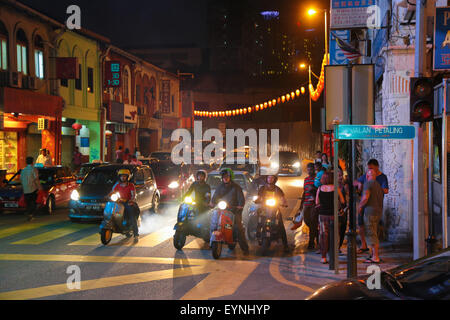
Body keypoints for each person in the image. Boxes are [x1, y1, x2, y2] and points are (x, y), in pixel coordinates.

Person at [210, 168, 249, 255]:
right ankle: (212, 241)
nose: (225, 178)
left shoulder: (236, 187)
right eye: (224, 177)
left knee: (238, 228)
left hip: (234, 210)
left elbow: (241, 199)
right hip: (222, 210)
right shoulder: (220, 187)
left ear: (230, 177)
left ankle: (245, 248)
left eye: (227, 176)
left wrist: (240, 206)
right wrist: (212, 203)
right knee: (213, 223)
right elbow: (215, 196)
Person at [354, 159, 389, 254]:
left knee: (372, 230)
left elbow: (385, 190)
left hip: (372, 206)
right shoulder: (366, 177)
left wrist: (374, 189)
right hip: (367, 207)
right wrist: (359, 183)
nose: (368, 171)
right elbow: (355, 182)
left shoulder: (381, 178)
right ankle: (364, 245)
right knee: (362, 224)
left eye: (371, 169)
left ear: (376, 167)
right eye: (368, 168)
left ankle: (375, 255)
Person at [315, 171, 345, 264]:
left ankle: (323, 257)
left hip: (323, 215)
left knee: (324, 236)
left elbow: (317, 202)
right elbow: (343, 201)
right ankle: (334, 256)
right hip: (334, 215)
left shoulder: (319, 188)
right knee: (335, 235)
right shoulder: (336, 188)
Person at [256, 174, 290, 253]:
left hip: (274, 209)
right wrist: (257, 200)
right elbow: (259, 197)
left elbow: (282, 198)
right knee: (258, 221)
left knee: (281, 225)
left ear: (274, 179)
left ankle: (285, 245)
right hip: (264, 209)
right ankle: (257, 235)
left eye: (272, 178)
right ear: (266, 179)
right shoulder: (262, 188)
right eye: (269, 177)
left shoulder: (277, 189)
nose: (270, 179)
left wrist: (284, 203)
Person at [358, 169, 384, 264]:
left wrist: (360, 206)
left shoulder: (368, 184)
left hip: (370, 212)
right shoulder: (378, 185)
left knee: (371, 233)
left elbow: (365, 198)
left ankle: (375, 257)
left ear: (367, 176)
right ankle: (373, 255)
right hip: (378, 212)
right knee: (374, 232)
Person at [111, 169, 140, 243]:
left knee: (132, 218)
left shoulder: (131, 185)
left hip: (128, 203)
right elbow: (112, 192)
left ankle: (136, 235)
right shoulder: (117, 185)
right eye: (121, 176)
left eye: (124, 176)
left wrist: (131, 201)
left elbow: (133, 195)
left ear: (127, 177)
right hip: (119, 203)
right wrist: (108, 196)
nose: (123, 178)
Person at [295, 163, 318, 250]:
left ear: (313, 170)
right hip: (306, 204)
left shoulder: (316, 179)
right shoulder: (306, 179)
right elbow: (304, 192)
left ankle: (311, 243)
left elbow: (318, 189)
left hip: (314, 204)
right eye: (308, 170)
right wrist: (301, 205)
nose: (309, 171)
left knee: (312, 223)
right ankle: (317, 234)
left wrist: (313, 189)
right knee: (307, 221)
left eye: (311, 170)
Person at [20, 157, 42, 221]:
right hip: (33, 189)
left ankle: (29, 214)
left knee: (28, 202)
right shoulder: (34, 169)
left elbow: (21, 180)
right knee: (33, 202)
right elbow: (36, 180)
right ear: (32, 162)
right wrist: (39, 187)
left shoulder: (23, 170)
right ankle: (31, 214)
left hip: (25, 189)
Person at [338, 166, 350, 254]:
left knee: (342, 230)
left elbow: (348, 198)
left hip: (343, 212)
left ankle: (338, 246)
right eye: (338, 175)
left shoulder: (344, 186)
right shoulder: (332, 186)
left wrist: (346, 209)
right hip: (335, 212)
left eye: (341, 175)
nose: (340, 177)